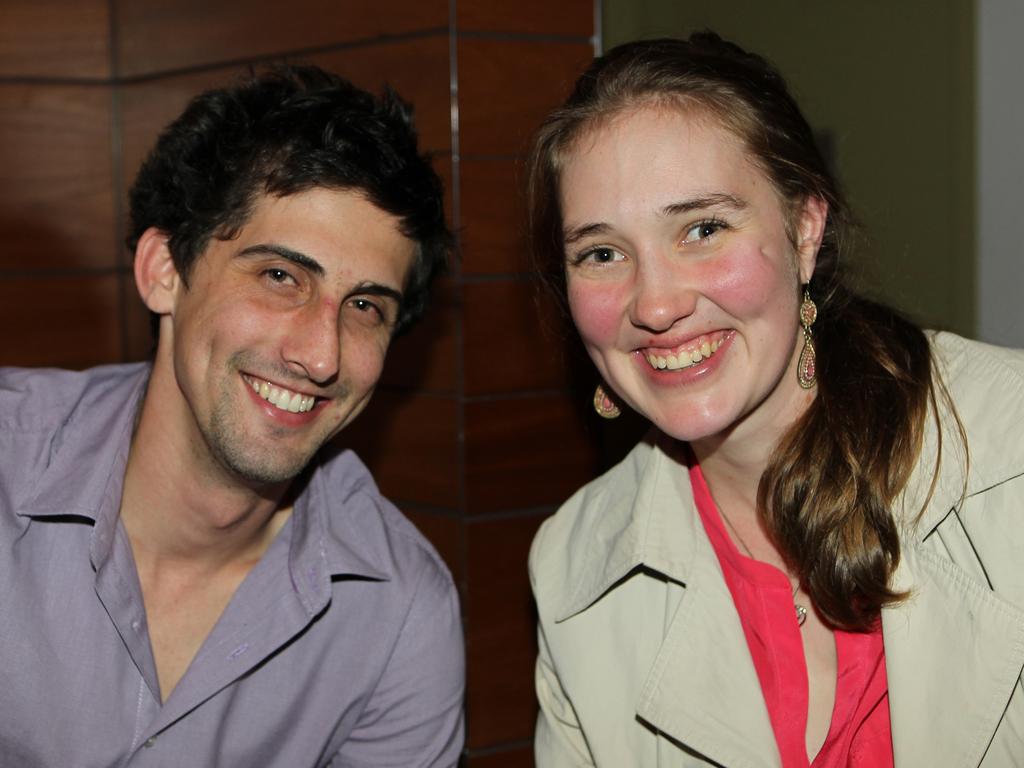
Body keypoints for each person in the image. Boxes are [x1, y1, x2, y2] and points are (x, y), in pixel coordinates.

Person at [527, 32, 1024, 767]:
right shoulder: (573, 572)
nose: (656, 304)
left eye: (702, 228)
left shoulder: (1010, 452)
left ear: (804, 230)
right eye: (602, 253)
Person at [0, 66, 463, 766]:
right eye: (281, 276)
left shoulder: (396, 615)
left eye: (365, 306)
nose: (321, 354)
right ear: (164, 271)